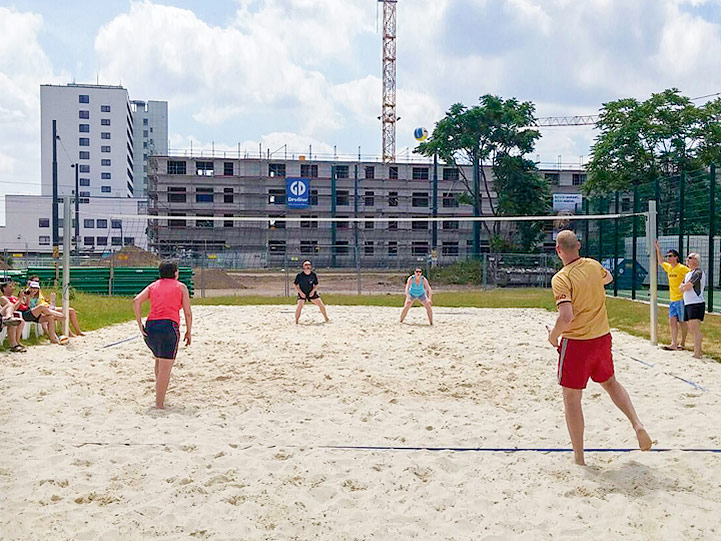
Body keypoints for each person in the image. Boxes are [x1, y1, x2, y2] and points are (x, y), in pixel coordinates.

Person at [548, 230, 651, 466]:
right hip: (602, 338)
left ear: (558, 250)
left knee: (571, 398)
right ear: (580, 246)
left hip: (577, 344)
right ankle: (637, 423)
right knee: (610, 383)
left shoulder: (561, 278)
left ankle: (579, 458)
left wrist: (553, 337)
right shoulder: (593, 266)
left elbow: (566, 317)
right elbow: (608, 279)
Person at [133, 260, 192, 409]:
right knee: (165, 367)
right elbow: (188, 313)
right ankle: (159, 403)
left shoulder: (153, 286)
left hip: (151, 327)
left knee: (159, 361)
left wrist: (140, 324)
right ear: (175, 273)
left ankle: (160, 394)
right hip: (168, 327)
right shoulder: (181, 287)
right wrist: (189, 331)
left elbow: (136, 301)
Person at [654, 241, 689, 350]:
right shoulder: (669, 267)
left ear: (676, 257)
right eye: (667, 256)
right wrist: (658, 250)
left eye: (670, 256)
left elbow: (692, 275)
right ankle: (674, 343)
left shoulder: (682, 268)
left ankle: (682, 343)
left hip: (681, 299)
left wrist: (685, 285)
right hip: (672, 300)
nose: (668, 258)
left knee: (683, 321)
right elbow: (660, 261)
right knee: (672, 321)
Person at [680, 253, 706, 359]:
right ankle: (697, 350)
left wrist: (684, 286)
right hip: (688, 303)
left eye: (689, 258)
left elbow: (689, 286)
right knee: (691, 327)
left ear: (695, 260)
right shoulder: (688, 274)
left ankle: (697, 352)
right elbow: (681, 286)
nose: (687, 260)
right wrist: (683, 286)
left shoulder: (698, 272)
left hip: (696, 303)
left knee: (695, 329)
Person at [293, 260, 329, 324]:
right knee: (300, 305)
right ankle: (296, 321)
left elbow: (316, 285)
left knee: (321, 305)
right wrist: (300, 293)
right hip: (302, 292)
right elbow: (295, 285)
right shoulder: (300, 275)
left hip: (311, 292)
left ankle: (326, 318)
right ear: (303, 267)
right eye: (306, 265)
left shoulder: (313, 275)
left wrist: (313, 291)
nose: (307, 266)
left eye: (309, 265)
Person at [0, 280, 24, 351]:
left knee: (13, 320)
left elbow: (25, 306)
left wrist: (24, 298)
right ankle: (8, 318)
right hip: (11, 314)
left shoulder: (14, 297)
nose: (13, 288)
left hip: (8, 314)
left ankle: (15, 344)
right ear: (4, 288)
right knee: (11, 307)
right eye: (10, 286)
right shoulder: (3, 298)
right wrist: (20, 300)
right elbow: (14, 308)